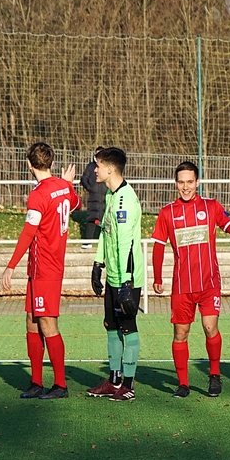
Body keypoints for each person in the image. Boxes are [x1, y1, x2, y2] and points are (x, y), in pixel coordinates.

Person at [151, 162, 230, 398]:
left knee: (209, 327)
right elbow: (158, 245)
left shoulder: (211, 206)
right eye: (181, 182)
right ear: (176, 183)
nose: (185, 187)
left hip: (209, 282)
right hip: (182, 285)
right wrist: (157, 276)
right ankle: (183, 383)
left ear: (197, 182)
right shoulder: (167, 212)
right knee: (180, 333)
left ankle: (214, 375)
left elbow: (229, 224)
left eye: (190, 182)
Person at [1, 142, 79, 399]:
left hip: (46, 266)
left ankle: (60, 385)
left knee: (47, 323)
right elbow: (76, 203)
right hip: (39, 268)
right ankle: (36, 382)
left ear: (28, 164)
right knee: (32, 321)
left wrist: (10, 266)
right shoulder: (62, 187)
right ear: (52, 163)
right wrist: (68, 184)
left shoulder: (38, 195)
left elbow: (28, 232)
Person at [86, 147, 143, 402]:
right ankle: (114, 380)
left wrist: (126, 283)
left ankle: (128, 386)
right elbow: (106, 233)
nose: (95, 170)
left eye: (98, 165)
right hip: (113, 278)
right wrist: (98, 264)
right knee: (111, 326)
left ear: (110, 169)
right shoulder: (111, 195)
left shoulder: (125, 200)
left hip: (126, 280)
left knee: (128, 328)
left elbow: (127, 245)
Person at [79, 146, 107, 249]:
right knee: (92, 219)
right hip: (93, 197)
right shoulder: (91, 166)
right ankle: (88, 242)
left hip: (105, 196)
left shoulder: (107, 166)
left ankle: (105, 242)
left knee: (106, 220)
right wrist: (90, 188)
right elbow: (84, 179)